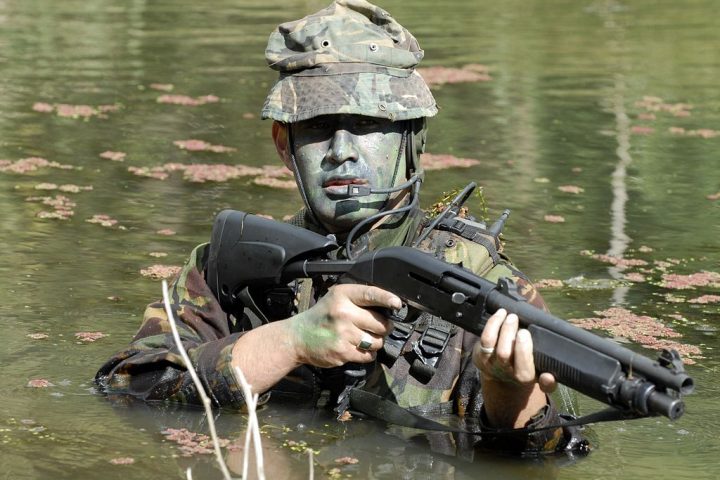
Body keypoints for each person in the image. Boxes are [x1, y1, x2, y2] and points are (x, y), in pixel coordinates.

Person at [96, 0, 586, 455]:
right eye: (316, 127)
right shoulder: (230, 265)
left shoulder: (482, 283)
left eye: (369, 125)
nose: (341, 150)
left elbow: (543, 459)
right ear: (283, 145)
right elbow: (127, 388)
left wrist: (510, 392)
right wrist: (288, 342)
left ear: (414, 139)